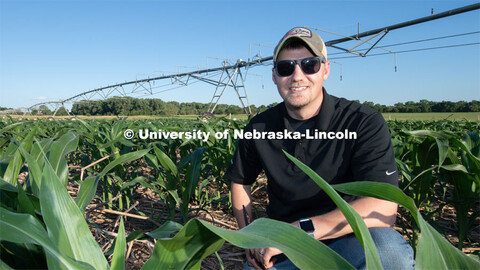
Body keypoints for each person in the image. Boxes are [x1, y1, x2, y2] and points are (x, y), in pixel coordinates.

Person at [226, 27, 414, 270]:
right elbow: (240, 181)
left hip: (348, 237)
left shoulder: (362, 121)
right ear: (274, 76)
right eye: (286, 68)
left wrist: (300, 230)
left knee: (389, 252)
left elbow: (384, 207)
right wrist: (250, 236)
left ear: (325, 69)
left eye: (309, 65)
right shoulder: (260, 126)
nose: (297, 76)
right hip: (283, 248)